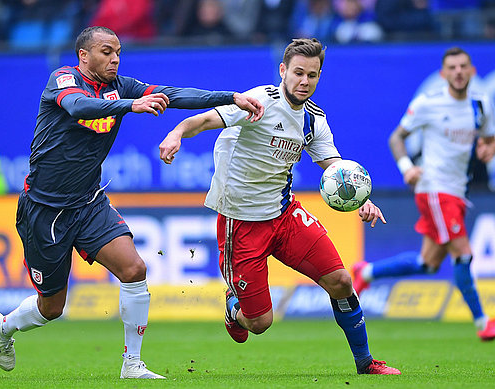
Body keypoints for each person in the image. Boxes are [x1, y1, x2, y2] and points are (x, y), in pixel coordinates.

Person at [0, 26, 263, 379]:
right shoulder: (63, 79)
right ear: (83, 55)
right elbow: (77, 106)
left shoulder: (123, 86)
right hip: (45, 210)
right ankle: (4, 328)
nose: (114, 57)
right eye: (105, 51)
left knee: (134, 270)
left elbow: (172, 94)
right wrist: (130, 105)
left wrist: (231, 96)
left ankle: (132, 363)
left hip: (88, 203)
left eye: (117, 51)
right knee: (52, 308)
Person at [159, 38, 400, 375]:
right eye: (298, 73)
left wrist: (364, 201)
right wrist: (176, 134)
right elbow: (202, 121)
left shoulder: (314, 119)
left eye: (312, 75)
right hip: (241, 225)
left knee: (342, 281)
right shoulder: (257, 102)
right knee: (259, 324)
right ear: (283, 71)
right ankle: (234, 310)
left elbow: (334, 167)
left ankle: (365, 362)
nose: (305, 81)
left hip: (285, 216)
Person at [351, 47, 495, 341]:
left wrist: (487, 147)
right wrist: (407, 168)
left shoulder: (480, 105)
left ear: (471, 71)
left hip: (457, 191)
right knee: (463, 254)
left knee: (427, 264)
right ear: (443, 74)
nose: (457, 72)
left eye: (463, 67)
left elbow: (487, 136)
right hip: (434, 189)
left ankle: (365, 273)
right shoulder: (429, 103)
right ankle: (483, 323)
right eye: (451, 68)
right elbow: (397, 137)